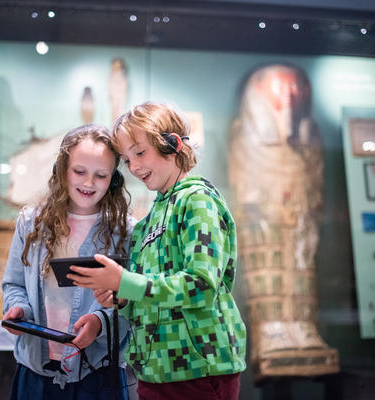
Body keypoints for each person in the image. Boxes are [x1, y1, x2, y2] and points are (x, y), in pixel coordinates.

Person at [69, 101, 247, 400]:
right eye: (126, 159)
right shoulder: (146, 223)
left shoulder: (198, 201)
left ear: (173, 144)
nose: (134, 166)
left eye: (140, 152)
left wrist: (126, 282)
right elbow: (147, 297)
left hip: (199, 369)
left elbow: (202, 285)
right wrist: (122, 298)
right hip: (154, 371)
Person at [1, 124, 133, 400]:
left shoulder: (128, 232)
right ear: (61, 170)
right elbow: (14, 284)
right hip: (35, 372)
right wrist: (18, 310)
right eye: (79, 171)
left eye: (101, 175)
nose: (88, 183)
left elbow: (132, 303)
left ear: (115, 179)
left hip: (97, 374)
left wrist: (100, 322)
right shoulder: (30, 223)